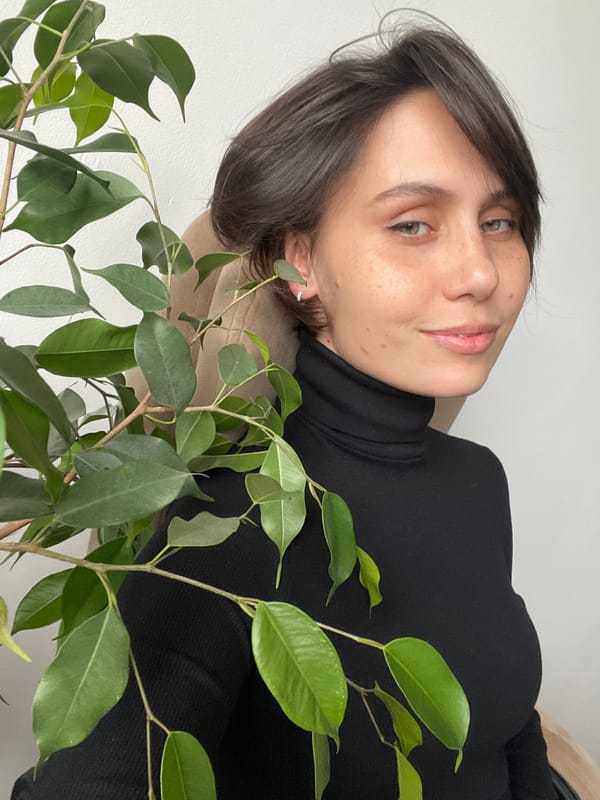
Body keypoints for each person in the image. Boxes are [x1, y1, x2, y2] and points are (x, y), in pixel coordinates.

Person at [12, 16, 558, 800]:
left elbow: (506, 726)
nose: (480, 271)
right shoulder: (229, 525)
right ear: (298, 260)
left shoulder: (478, 479)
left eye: (499, 221)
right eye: (413, 224)